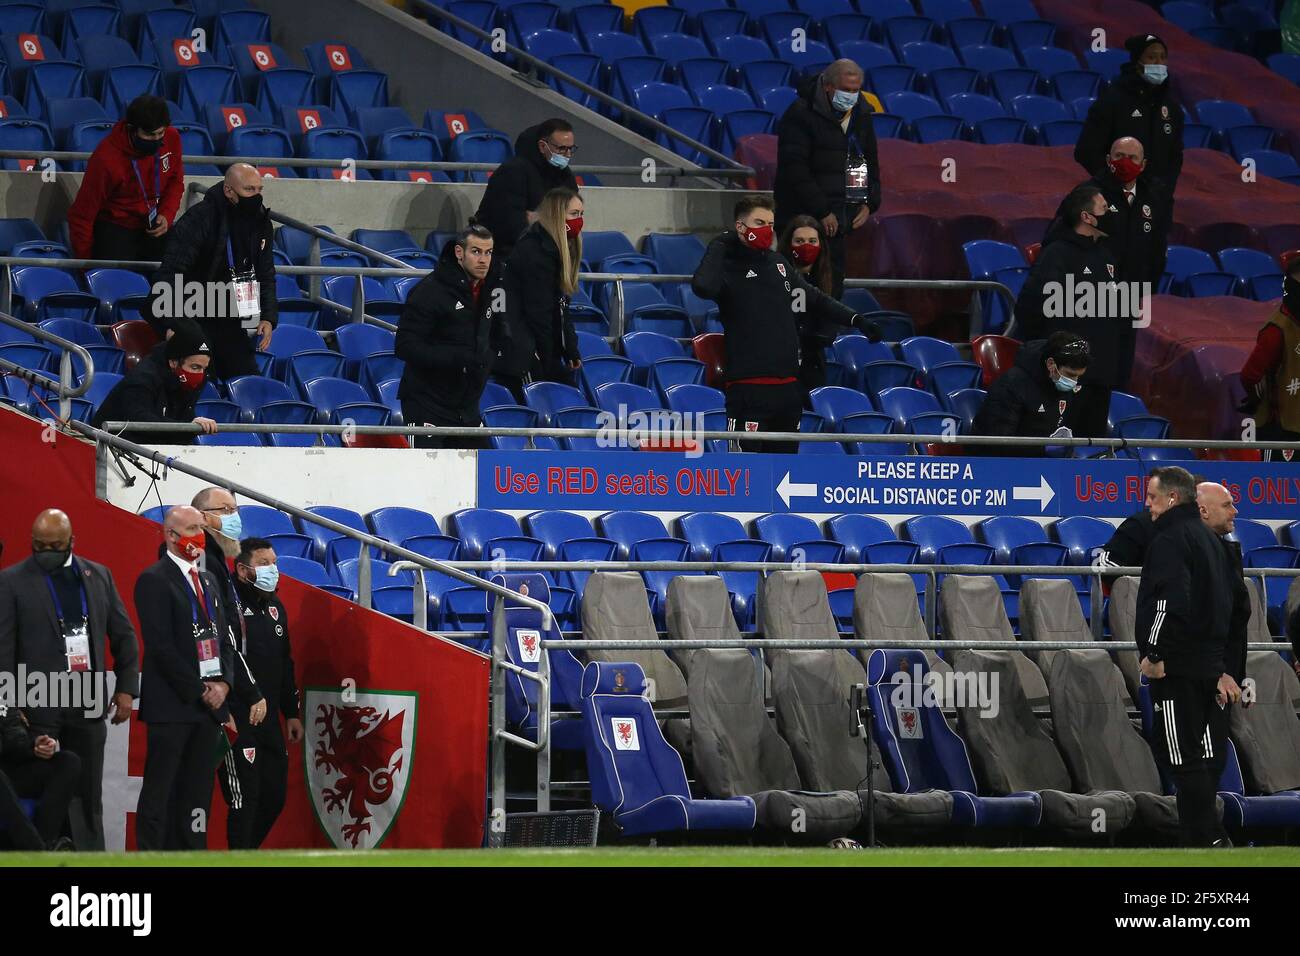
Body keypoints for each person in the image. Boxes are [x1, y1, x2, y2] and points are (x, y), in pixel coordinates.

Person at [691, 195, 882, 453]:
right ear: (740, 226)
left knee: (785, 471)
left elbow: (815, 298)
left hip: (788, 392)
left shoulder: (778, 264)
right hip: (748, 391)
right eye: (759, 222)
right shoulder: (726, 266)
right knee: (747, 473)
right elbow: (702, 287)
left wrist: (856, 319)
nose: (766, 230)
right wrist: (718, 243)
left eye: (770, 223)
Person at [0, 509, 138, 850]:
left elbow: (124, 635)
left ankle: (89, 859)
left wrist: (125, 688)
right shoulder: (11, 581)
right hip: (36, 702)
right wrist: (10, 708)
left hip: (86, 698)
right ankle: (48, 851)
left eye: (55, 545)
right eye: (39, 545)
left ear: (71, 542)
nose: (46, 551)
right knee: (54, 787)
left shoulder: (99, 576)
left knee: (89, 791)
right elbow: (3, 649)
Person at [1135, 467, 1249, 848]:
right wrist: (1223, 668)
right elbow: (1234, 612)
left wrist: (1154, 652)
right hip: (1208, 669)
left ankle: (1205, 838)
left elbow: (1168, 601)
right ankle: (1205, 839)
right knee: (1199, 758)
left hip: (1179, 669)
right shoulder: (1215, 543)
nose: (1146, 504)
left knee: (1179, 756)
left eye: (1152, 497)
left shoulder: (1172, 539)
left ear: (1171, 498)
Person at [133, 505, 235, 851]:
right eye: (191, 528)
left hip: (207, 710)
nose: (198, 536)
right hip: (173, 706)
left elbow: (223, 640)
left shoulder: (208, 580)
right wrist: (200, 690)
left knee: (197, 794)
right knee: (160, 793)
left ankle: (192, 855)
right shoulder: (153, 579)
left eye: (201, 529)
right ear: (170, 535)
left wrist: (224, 685)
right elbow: (160, 647)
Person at [1048, 137, 1171, 390]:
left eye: (1133, 158)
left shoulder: (1153, 198)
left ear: (1144, 164)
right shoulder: (1087, 194)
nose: (1125, 162)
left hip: (1128, 297)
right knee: (1087, 369)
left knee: (1120, 369)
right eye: (1119, 156)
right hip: (1089, 298)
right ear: (1107, 159)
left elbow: (1157, 250)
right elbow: (1056, 240)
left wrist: (1144, 289)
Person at [145, 163, 276, 382]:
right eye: (249, 190)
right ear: (228, 191)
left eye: (259, 189)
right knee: (203, 381)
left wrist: (268, 317)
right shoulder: (200, 218)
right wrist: (173, 323)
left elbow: (265, 272)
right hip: (192, 312)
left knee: (250, 380)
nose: (256, 196)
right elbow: (171, 271)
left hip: (229, 315)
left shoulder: (261, 223)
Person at [774, 59, 882, 298]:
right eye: (846, 90)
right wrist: (822, 211)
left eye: (856, 91)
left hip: (838, 225)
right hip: (799, 222)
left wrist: (869, 201)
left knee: (832, 293)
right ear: (828, 86)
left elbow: (868, 162)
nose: (852, 96)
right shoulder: (801, 113)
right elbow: (795, 169)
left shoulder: (861, 116)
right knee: (793, 292)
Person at [219, 537, 302, 849]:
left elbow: (285, 662)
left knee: (275, 797)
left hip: (270, 722)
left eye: (275, 563)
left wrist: (291, 712)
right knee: (244, 800)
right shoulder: (228, 604)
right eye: (264, 564)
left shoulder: (275, 607)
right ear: (242, 570)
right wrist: (248, 696)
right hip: (238, 716)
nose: (273, 570)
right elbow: (227, 656)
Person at [1014, 184, 1122, 421]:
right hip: (1066, 375)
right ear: (1087, 217)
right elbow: (1029, 309)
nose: (1112, 213)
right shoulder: (1057, 254)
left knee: (1094, 449)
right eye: (1105, 208)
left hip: (1100, 375)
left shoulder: (1105, 255)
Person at [396, 224, 509, 449]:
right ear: (459, 253)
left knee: (483, 473)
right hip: (426, 403)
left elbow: (499, 328)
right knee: (426, 477)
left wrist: (488, 360)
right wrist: (458, 359)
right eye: (476, 251)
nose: (483, 260)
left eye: (488, 252)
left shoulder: (496, 286)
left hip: (467, 406)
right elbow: (404, 346)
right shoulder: (429, 291)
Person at [66, 95, 184, 263]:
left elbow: (175, 181)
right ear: (132, 129)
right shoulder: (106, 158)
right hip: (116, 228)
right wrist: (87, 266)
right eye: (150, 135)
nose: (157, 139)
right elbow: (82, 215)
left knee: (181, 266)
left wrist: (167, 214)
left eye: (160, 133)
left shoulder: (172, 137)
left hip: (153, 224)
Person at [493, 186, 583, 403]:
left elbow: (561, 306)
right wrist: (548, 357)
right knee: (542, 408)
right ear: (557, 215)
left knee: (569, 401)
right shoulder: (535, 251)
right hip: (524, 351)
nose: (579, 220)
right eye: (573, 214)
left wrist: (570, 349)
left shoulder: (556, 248)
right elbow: (538, 312)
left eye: (581, 214)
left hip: (541, 347)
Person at [185, 488, 264, 730]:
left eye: (235, 510)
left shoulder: (217, 557)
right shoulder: (201, 559)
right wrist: (225, 697)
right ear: (203, 516)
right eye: (226, 511)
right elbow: (213, 632)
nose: (234, 518)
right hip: (207, 691)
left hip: (223, 685)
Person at [1075, 34, 1184, 196]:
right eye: (1151, 57)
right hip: (1116, 198)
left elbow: (1175, 157)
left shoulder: (1172, 109)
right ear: (1136, 62)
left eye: (1163, 57)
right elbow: (1086, 151)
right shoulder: (1113, 101)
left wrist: (1165, 189)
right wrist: (1114, 184)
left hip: (1158, 201)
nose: (1159, 63)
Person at [970, 331, 1107, 454]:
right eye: (1070, 375)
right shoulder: (1011, 385)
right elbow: (997, 442)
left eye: (1078, 376)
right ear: (1051, 364)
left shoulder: (1062, 384)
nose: (1074, 382)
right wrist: (1044, 448)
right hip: (998, 464)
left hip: (1041, 462)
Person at [90, 326, 218, 445]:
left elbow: (183, 416)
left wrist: (191, 425)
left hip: (154, 448)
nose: (200, 374)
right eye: (195, 367)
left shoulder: (191, 380)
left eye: (203, 368)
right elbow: (140, 421)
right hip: (109, 448)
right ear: (173, 362)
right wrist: (187, 427)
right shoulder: (143, 378)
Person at [473, 118, 579, 260]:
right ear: (542, 146)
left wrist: (539, 218)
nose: (567, 155)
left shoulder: (565, 175)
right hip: (503, 255)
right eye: (561, 149)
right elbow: (510, 226)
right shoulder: (512, 172)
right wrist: (552, 221)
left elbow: (571, 220)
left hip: (548, 251)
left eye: (571, 149)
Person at [1238, 255, 1300, 461]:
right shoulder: (1277, 330)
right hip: (1282, 430)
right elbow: (1250, 375)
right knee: (1279, 490)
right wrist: (1261, 401)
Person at [0, 708, 80, 851]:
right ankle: (37, 851)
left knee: (68, 762)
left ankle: (44, 841)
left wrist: (34, 745)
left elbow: (13, 737)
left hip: (8, 774)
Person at [778, 215, 836, 402]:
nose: (806, 246)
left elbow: (829, 327)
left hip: (813, 365)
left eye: (812, 241)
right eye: (799, 241)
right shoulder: (775, 276)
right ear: (789, 244)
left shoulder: (829, 279)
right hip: (780, 366)